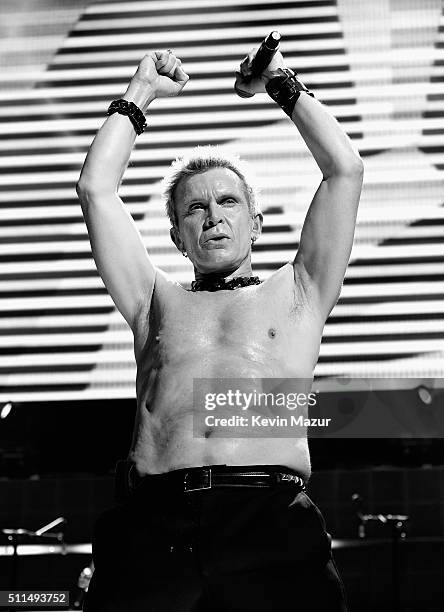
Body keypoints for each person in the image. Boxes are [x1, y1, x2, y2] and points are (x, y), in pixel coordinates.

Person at [77, 45, 363, 611]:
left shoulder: (299, 290)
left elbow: (344, 169)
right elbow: (96, 190)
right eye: (194, 209)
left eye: (228, 201)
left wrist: (279, 83)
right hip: (153, 527)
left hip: (268, 522)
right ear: (178, 236)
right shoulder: (151, 299)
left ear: (255, 223)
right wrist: (139, 95)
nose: (212, 216)